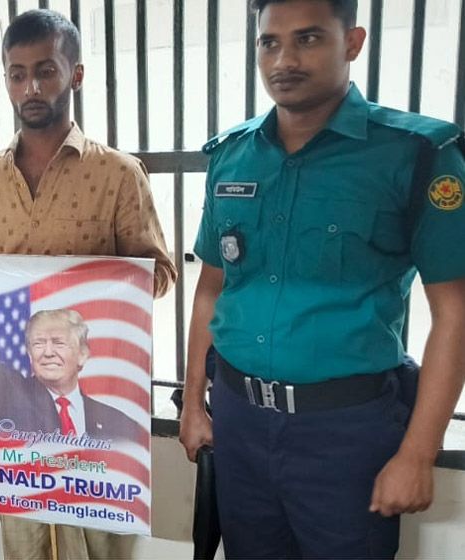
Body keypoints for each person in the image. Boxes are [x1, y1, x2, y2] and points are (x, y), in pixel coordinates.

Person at [178, 1, 465, 557]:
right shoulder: (233, 156)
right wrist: (193, 404)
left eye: (308, 39)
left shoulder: (414, 154)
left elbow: (454, 314)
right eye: (270, 42)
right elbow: (211, 289)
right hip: (239, 421)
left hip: (346, 433)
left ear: (352, 42)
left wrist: (418, 453)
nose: (284, 59)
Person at [0, 9, 176, 559]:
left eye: (45, 71)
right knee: (24, 547)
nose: (31, 87)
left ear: (75, 75)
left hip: (96, 398)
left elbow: (159, 273)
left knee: (101, 547)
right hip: (16, 406)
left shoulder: (118, 174)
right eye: (17, 74)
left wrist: (95, 286)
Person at [0, 267, 145, 444]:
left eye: (59, 343)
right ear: (29, 353)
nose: (48, 352)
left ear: (82, 354)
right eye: (39, 343)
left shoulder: (120, 424)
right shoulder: (8, 395)